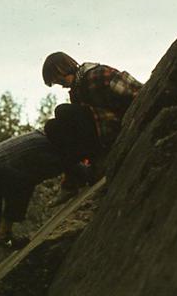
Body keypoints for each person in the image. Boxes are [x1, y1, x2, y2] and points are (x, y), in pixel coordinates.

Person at [0, 129, 65, 274]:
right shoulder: (45, 146)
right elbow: (66, 164)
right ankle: (4, 233)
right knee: (25, 181)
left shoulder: (43, 137)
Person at [41, 51, 143, 201]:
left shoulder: (97, 75)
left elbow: (136, 91)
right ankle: (78, 175)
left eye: (57, 79)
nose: (60, 84)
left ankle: (87, 167)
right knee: (52, 127)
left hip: (115, 127)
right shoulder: (76, 91)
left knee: (62, 110)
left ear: (62, 68)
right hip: (99, 135)